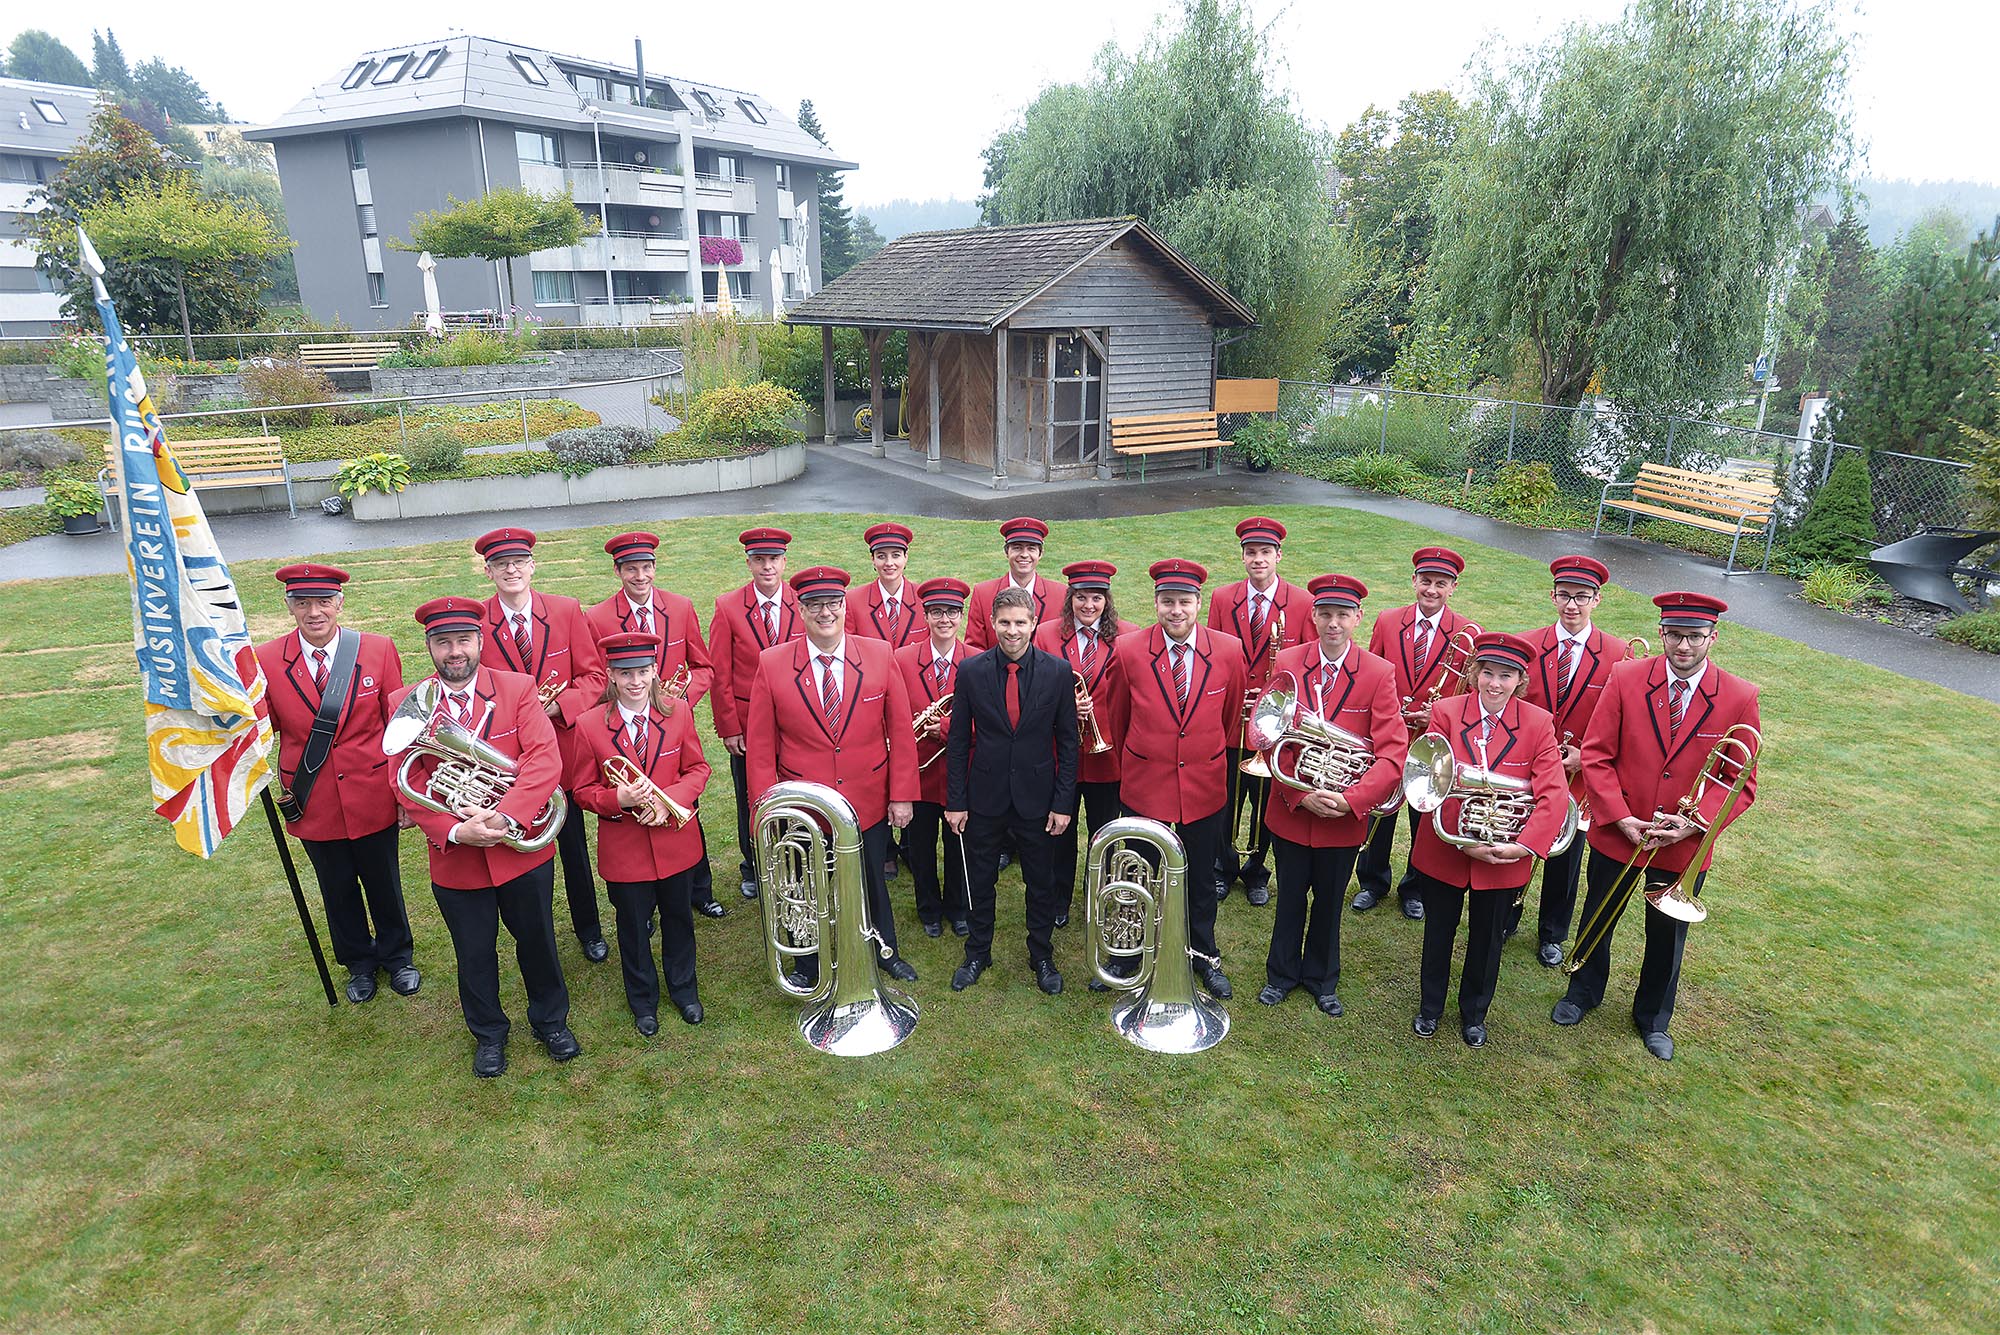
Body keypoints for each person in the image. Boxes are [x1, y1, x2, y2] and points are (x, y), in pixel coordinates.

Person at [1555, 591, 1761, 1061]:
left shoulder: (1739, 695)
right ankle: (1581, 993)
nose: (1683, 647)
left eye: (1694, 637)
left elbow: (1739, 780)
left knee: (1667, 935)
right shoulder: (1626, 677)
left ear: (1713, 637)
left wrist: (1694, 825)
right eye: (1674, 636)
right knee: (1598, 913)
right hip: (1621, 828)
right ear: (1662, 633)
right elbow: (1597, 754)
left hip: (1681, 842)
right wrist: (1620, 815)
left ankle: (1653, 1019)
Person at [394, 596, 578, 1079]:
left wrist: (504, 816)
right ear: (430, 647)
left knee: (537, 940)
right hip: (457, 858)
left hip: (521, 851)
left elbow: (544, 760)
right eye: (442, 643)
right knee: (473, 953)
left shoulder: (518, 688)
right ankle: (490, 1034)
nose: (454, 651)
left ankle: (550, 1021)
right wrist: (455, 829)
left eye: (462, 641)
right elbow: (405, 782)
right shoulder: (405, 704)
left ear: (479, 641)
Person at [745, 566, 921, 984]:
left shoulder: (880, 653)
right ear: (800, 610)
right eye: (815, 605)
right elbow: (761, 746)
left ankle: (884, 950)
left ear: (844, 606)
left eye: (833, 604)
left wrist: (902, 795)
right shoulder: (771, 664)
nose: (826, 613)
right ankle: (807, 961)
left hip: (867, 797)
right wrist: (767, 809)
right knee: (802, 884)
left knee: (871, 879)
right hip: (803, 805)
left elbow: (900, 730)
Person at [253, 563, 417, 1005]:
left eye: (323, 602)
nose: (314, 612)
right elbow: (258, 727)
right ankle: (359, 964)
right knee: (336, 886)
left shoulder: (379, 650)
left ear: (340, 603)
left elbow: (397, 727)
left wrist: (403, 795)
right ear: (288, 607)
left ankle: (399, 957)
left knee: (384, 880)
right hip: (313, 797)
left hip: (371, 792)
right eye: (302, 603)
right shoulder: (265, 660)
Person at [1406, 632, 1568, 1048]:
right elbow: (1429, 779)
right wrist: (1461, 840)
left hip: (1504, 854)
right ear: (1475, 673)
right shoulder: (1445, 712)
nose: (1495, 684)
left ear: (1520, 680)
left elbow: (1553, 795)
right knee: (1437, 933)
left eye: (1506, 676)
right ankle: (1430, 1007)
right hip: (1447, 846)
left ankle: (1474, 1014)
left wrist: (1524, 846)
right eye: (1488, 673)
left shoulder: (1537, 723)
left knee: (1488, 939)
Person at [1256, 574, 1407, 1018]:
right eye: (1325, 614)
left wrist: (1352, 799)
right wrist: (1299, 796)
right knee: (1289, 898)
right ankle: (1281, 975)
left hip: (1344, 817)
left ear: (1358, 618)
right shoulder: (1288, 660)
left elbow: (1393, 752)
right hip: (1292, 808)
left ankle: (1322, 979)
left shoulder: (1379, 672)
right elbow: (1267, 736)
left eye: (1343, 615)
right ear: (1313, 616)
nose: (1333, 623)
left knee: (1329, 901)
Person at [1109, 559, 1247, 998]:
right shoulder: (1129, 650)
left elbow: (1229, 720)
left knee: (1201, 878)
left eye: (1184, 602)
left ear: (1198, 603)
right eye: (1167, 602)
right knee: (1137, 873)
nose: (1175, 611)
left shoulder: (1227, 650)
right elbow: (1117, 716)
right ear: (1155, 603)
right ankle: (1125, 954)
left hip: (1203, 788)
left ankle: (1203, 954)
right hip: (1146, 784)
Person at [474, 527, 610, 962]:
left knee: (571, 846)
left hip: (564, 752)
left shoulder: (567, 610)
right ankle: (533, 936)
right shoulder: (475, 621)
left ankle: (588, 926)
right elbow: (468, 688)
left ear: (533, 566)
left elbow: (595, 678)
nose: (511, 570)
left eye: (519, 562)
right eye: (501, 564)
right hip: (507, 761)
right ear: (488, 571)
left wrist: (557, 707)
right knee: (521, 854)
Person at [567, 632, 711, 1035]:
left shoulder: (679, 712)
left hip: (676, 842)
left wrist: (670, 801)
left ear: (654, 673)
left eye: (643, 672)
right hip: (626, 849)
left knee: (679, 919)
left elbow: (697, 769)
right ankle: (642, 1000)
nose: (635, 681)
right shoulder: (589, 725)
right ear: (611, 675)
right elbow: (581, 790)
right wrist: (619, 798)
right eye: (626, 673)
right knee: (632, 926)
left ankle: (685, 991)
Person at [944, 587, 1081, 994]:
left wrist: (1062, 803)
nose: (1012, 630)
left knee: (1040, 880)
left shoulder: (1058, 672)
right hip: (985, 795)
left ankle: (1041, 953)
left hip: (1037, 798)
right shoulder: (971, 671)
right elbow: (958, 742)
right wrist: (956, 801)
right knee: (980, 877)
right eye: (1004, 622)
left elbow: (1068, 742)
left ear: (1034, 623)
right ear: (992, 623)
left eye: (1020, 622)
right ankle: (977, 951)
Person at [584, 531, 726, 919]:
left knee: (685, 806)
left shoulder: (679, 607)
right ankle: (640, 905)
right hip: (626, 727)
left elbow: (703, 666)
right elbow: (598, 677)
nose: (640, 576)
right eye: (631, 569)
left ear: (655, 568)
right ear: (618, 571)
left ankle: (699, 889)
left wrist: (674, 703)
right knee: (636, 811)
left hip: (672, 725)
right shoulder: (596, 617)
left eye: (646, 567)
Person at [1508, 555, 1630, 966]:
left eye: (1581, 597)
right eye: (1564, 596)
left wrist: (1586, 757)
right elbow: (1511, 706)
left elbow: (1619, 721)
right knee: (1517, 836)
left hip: (1579, 774)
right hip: (1525, 766)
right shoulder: (1527, 645)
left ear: (1598, 600)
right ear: (1552, 596)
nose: (1571, 605)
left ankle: (1552, 932)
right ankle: (1507, 913)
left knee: (1566, 853)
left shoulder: (1618, 655)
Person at [1355, 546, 1476, 921]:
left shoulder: (1469, 632)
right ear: (1414, 581)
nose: (1432, 590)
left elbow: (1470, 694)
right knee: (1379, 807)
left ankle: (1416, 887)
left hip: (1433, 740)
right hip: (1391, 731)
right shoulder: (1389, 621)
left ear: (1452, 588)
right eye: (1426, 582)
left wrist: (1436, 714)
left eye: (1441, 584)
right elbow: (1370, 671)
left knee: (1425, 817)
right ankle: (1372, 882)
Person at [1209, 516, 1313, 907]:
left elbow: (1305, 662)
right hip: (1234, 715)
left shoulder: (1302, 603)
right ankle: (1223, 867)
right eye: (1251, 553)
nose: (1258, 560)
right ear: (1243, 558)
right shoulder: (1222, 598)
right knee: (1226, 797)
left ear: (1278, 556)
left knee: (1267, 799)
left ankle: (1257, 871)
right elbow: (1215, 654)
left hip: (1277, 720)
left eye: (1265, 553)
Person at [1032, 559, 1135, 928]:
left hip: (1107, 755)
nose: (1088, 606)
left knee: (1104, 830)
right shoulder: (1045, 635)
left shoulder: (1127, 636)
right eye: (1080, 598)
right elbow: (1031, 689)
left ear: (1106, 600)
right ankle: (1059, 898)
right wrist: (1063, 705)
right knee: (1060, 830)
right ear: (1069, 599)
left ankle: (1100, 893)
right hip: (1061, 754)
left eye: (1096, 598)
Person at [708, 527, 804, 900]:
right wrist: (730, 727)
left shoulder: (804, 602)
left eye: (774, 560)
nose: (767, 567)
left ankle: (796, 856)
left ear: (784, 562)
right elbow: (721, 673)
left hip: (798, 721)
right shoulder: (728, 607)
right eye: (759, 560)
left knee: (795, 789)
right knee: (750, 794)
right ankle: (754, 864)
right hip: (749, 725)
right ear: (748, 563)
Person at [895, 577, 978, 938]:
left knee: (960, 844)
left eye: (952, 612)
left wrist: (942, 729)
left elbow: (993, 723)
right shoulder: (901, 659)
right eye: (937, 612)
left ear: (962, 616)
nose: (945, 619)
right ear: (926, 616)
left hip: (963, 773)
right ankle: (928, 908)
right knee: (921, 846)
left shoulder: (977, 660)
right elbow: (896, 718)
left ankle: (958, 908)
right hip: (920, 772)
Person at [964, 516, 1065, 650]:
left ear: (1040, 554)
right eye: (1017, 548)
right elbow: (975, 649)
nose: (1024, 554)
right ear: (1006, 552)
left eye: (1031, 548)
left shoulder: (1060, 594)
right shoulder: (983, 593)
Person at [844, 522, 926, 649]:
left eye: (896, 555)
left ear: (906, 557)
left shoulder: (923, 598)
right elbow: (849, 650)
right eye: (881, 556)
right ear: (873, 559)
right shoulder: (853, 600)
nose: (889, 563)